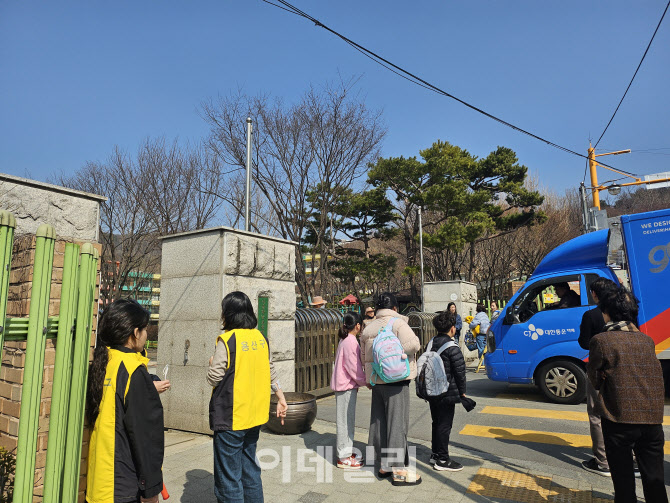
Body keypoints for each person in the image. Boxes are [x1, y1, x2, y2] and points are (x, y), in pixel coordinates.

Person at [587, 287, 667, 503]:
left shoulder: (601, 340)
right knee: (655, 480)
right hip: (652, 420)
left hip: (618, 419)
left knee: (623, 484)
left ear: (607, 313)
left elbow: (594, 379)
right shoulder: (646, 340)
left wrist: (604, 375)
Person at [207, 291, 288, 503]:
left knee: (229, 478)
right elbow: (271, 371)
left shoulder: (227, 340)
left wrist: (211, 363)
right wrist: (281, 397)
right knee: (250, 468)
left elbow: (214, 378)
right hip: (255, 416)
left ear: (229, 314)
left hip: (231, 417)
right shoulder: (261, 338)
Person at [86, 299, 164, 503]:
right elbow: (146, 437)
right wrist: (151, 490)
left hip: (99, 481)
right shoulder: (132, 371)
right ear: (134, 333)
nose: (146, 335)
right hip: (125, 485)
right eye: (144, 329)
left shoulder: (103, 361)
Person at [360, 292, 422, 486]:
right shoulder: (398, 323)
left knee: (379, 422)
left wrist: (368, 378)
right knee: (397, 422)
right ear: (394, 308)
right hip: (396, 379)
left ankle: (384, 465)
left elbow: (364, 357)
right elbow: (414, 345)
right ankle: (398, 470)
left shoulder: (368, 328)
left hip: (377, 380)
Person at [578, 277, 618, 476]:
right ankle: (629, 458)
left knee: (596, 415)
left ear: (594, 294)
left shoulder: (591, 315)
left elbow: (584, 343)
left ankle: (603, 462)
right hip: (622, 368)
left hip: (597, 369)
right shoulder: (623, 313)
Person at [427, 312, 466, 472]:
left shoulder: (431, 343)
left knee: (436, 422)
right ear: (452, 328)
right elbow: (460, 372)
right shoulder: (452, 347)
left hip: (431, 390)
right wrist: (462, 392)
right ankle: (443, 459)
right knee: (444, 425)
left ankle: (435, 453)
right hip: (447, 392)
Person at [331, 311, 367, 469]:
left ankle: (346, 452)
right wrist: (366, 381)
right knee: (345, 422)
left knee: (346, 420)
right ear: (357, 326)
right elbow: (354, 368)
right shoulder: (351, 341)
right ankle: (343, 457)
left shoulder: (345, 339)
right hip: (346, 386)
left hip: (345, 386)